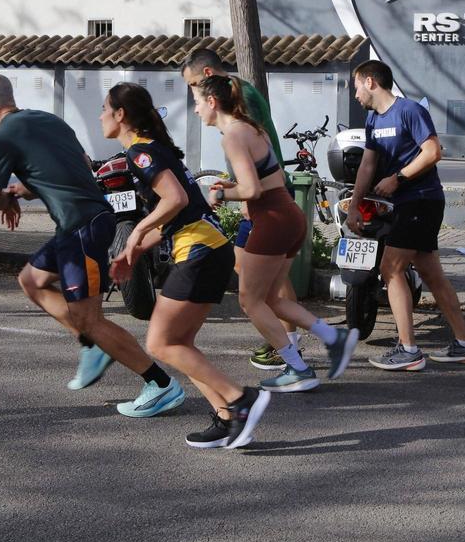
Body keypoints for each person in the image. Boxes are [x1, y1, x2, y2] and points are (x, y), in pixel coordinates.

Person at [0, 75, 185, 419]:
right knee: (31, 280)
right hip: (80, 223)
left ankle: (160, 384)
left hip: (81, 227)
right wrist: (27, 190)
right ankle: (91, 344)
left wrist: (7, 201)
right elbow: (80, 165)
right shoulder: (49, 120)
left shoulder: (0, 137)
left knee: (91, 319)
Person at [104, 82, 268, 449]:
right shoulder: (152, 149)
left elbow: (174, 200)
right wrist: (130, 253)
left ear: (120, 115)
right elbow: (172, 218)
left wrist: (135, 233)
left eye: (104, 108)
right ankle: (226, 417)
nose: (100, 115)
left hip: (200, 251)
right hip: (206, 248)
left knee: (161, 344)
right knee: (181, 343)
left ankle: (240, 399)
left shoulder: (141, 153)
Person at [194, 75, 359, 394]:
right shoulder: (254, 128)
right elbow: (274, 176)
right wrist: (234, 188)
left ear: (212, 103)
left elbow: (252, 189)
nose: (197, 110)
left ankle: (298, 368)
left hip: (271, 220)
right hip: (289, 215)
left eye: (198, 103)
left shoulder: (231, 135)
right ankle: (334, 339)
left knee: (249, 300)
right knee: (270, 298)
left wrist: (219, 196)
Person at [346, 60, 465, 371]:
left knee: (391, 269)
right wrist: (354, 204)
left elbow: (433, 152)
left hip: (421, 201)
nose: (355, 95)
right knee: (432, 275)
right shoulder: (373, 120)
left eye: (356, 87)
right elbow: (368, 165)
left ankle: (408, 350)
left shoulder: (409, 110)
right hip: (407, 205)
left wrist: (398, 179)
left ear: (370, 82)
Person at [180, 47, 301, 372]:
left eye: (192, 86)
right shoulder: (238, 90)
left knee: (266, 284)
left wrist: (245, 196)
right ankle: (288, 337)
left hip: (263, 196)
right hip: (258, 192)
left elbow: (254, 149)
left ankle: (290, 344)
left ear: (207, 77)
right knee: (247, 268)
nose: (193, 96)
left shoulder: (238, 96)